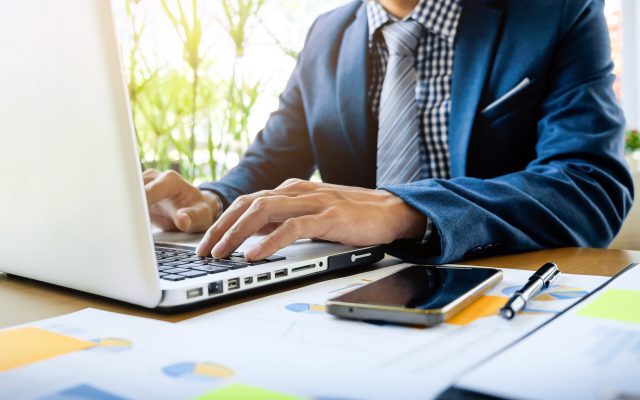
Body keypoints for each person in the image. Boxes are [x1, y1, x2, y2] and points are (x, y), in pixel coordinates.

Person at [143, 0, 633, 264]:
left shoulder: (560, 11)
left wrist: (408, 209)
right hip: (345, 289)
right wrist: (210, 199)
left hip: (502, 286)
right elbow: (271, 161)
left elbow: (590, 185)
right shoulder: (326, 33)